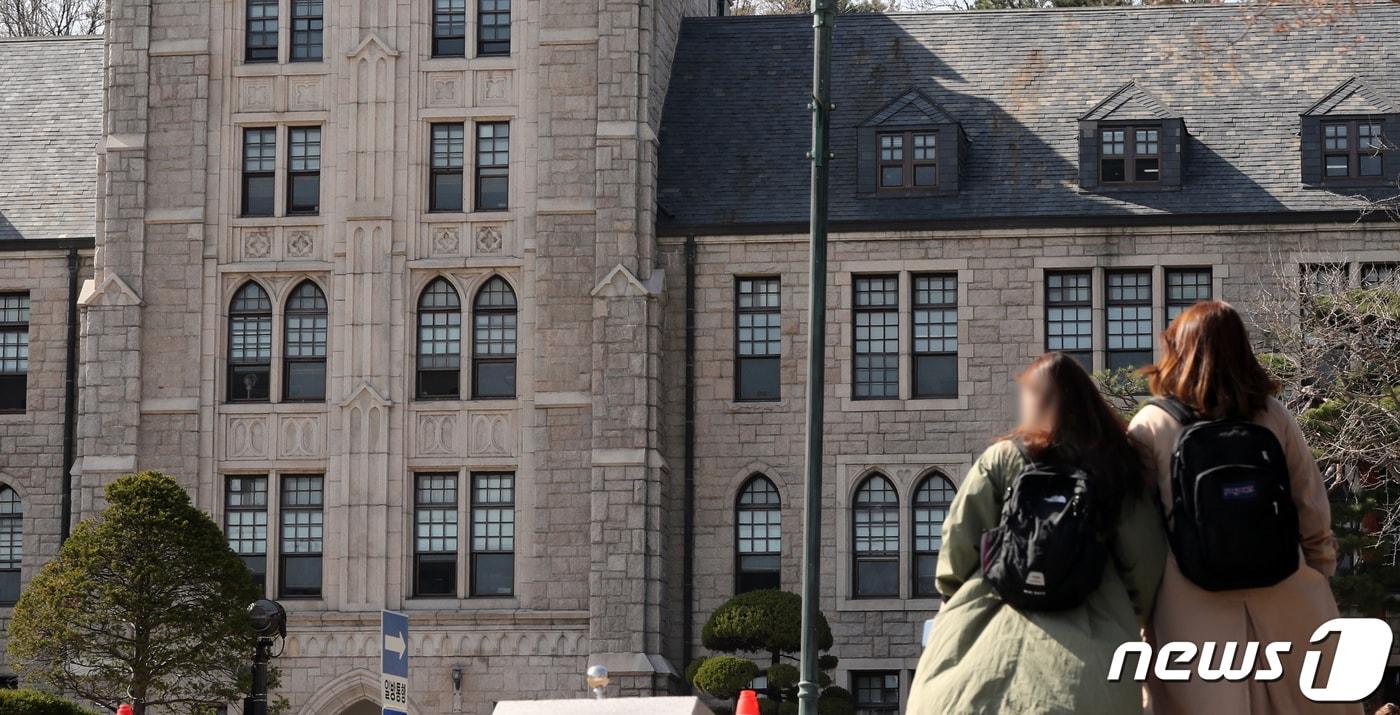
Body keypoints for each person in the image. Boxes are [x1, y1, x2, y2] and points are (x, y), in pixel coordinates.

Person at [1129, 300, 1356, 715]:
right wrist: (1318, 575)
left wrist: (1145, 615)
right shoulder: (1272, 416)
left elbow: (1138, 538)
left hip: (1190, 611)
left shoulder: (1151, 425)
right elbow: (1311, 507)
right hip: (1289, 596)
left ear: (1177, 350)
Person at [908, 352, 1167, 714]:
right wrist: (1127, 614)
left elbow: (958, 547)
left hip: (985, 646)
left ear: (1034, 400)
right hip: (1090, 656)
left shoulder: (1002, 458)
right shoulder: (1117, 466)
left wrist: (952, 595)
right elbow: (1144, 563)